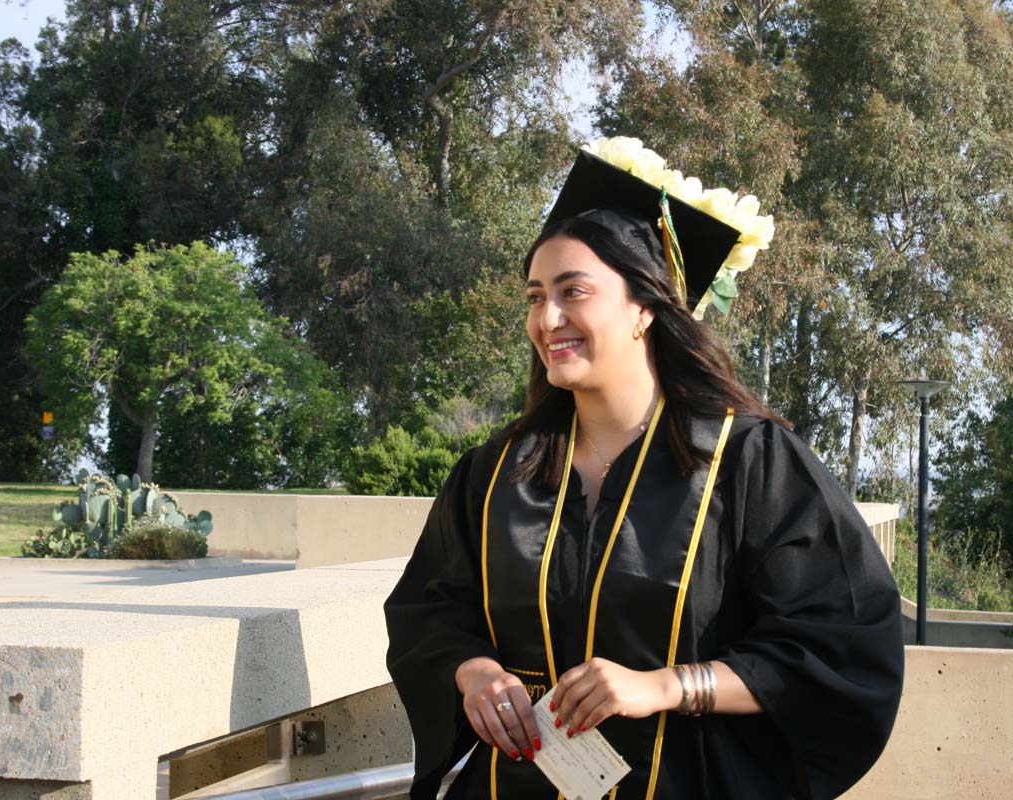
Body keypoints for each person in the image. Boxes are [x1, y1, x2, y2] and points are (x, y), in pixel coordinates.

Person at [384, 138, 905, 800]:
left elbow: (839, 645)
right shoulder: (495, 476)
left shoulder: (747, 462)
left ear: (645, 308)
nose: (547, 319)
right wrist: (474, 672)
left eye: (573, 292)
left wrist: (664, 686)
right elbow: (430, 609)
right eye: (535, 296)